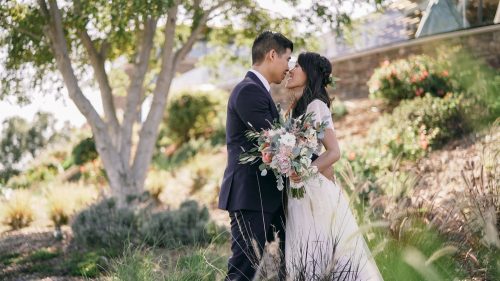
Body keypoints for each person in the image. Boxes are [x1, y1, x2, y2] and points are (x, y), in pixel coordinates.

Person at [284, 52, 384, 280]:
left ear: (308, 73)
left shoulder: (317, 105)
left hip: (314, 190)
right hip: (298, 190)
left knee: (322, 254)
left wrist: (305, 172)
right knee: (304, 256)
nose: (290, 69)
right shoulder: (297, 105)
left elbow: (334, 152)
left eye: (297, 65)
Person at [218, 31, 293, 281]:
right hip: (251, 196)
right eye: (287, 59)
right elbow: (275, 142)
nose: (288, 67)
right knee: (242, 271)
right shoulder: (248, 91)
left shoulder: (258, 91)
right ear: (272, 55)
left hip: (266, 196)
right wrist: (315, 162)